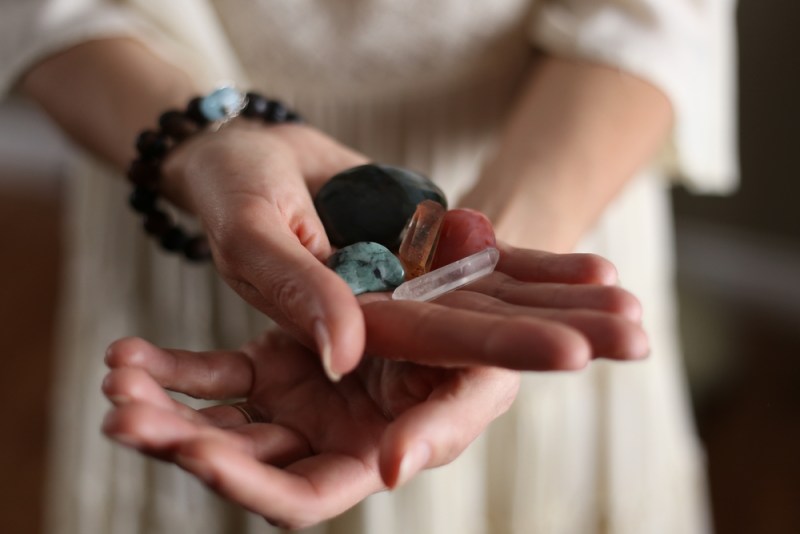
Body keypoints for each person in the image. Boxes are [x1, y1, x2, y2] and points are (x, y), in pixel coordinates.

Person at [1, 0, 737, 532]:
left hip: (550, 165)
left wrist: (491, 244)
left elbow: (658, 21)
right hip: (184, 157)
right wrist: (198, 145)